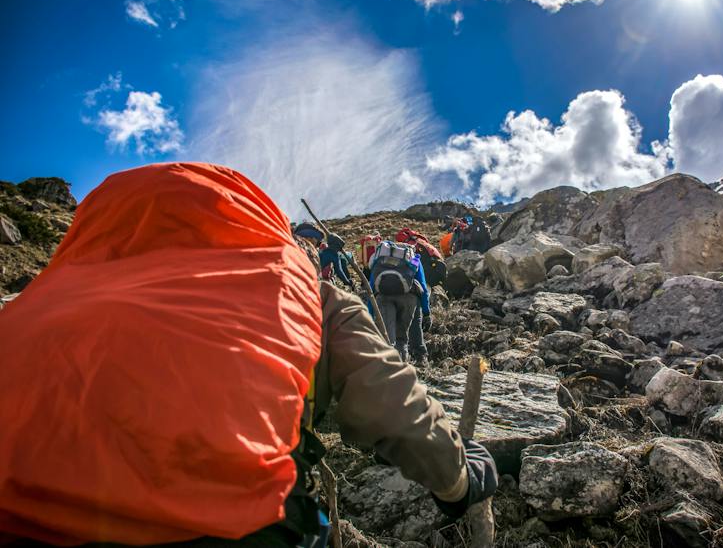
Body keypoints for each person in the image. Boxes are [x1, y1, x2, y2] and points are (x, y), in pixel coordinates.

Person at [0, 163, 497, 547]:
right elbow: (387, 395)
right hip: (233, 522)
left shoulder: (33, 303)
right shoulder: (298, 285)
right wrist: (456, 479)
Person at [368, 240, 431, 364]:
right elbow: (423, 287)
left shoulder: (380, 259)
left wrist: (369, 314)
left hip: (384, 297)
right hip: (408, 298)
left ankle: (389, 367)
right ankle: (415, 361)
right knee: (401, 338)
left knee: (388, 339)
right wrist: (426, 311)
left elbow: (371, 287)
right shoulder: (413, 259)